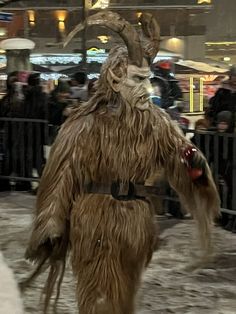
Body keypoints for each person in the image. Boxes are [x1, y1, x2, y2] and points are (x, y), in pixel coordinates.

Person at [24, 12, 220, 314]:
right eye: (137, 79)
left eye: (148, 79)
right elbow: (61, 175)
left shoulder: (157, 122)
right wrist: (51, 220)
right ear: (115, 79)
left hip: (137, 225)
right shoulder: (84, 124)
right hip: (96, 221)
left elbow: (183, 159)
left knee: (124, 299)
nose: (147, 89)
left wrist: (195, 169)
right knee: (99, 299)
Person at [206, 64, 236, 128]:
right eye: (234, 76)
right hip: (222, 127)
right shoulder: (221, 92)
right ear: (230, 77)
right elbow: (214, 108)